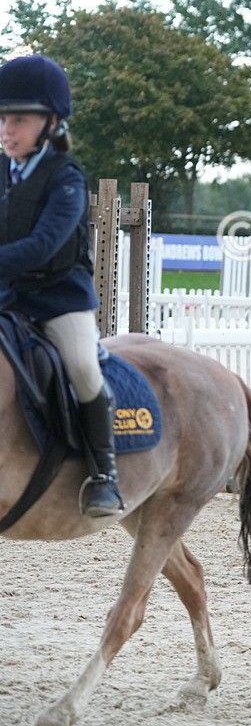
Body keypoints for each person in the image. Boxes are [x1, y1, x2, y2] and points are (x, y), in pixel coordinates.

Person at [0, 54, 123, 517]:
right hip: (9, 296)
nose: (7, 130)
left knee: (81, 365)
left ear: (51, 123)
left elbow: (43, 245)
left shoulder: (65, 176)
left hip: (59, 299)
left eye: (19, 120)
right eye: (3, 119)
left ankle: (104, 474)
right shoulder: (1, 172)